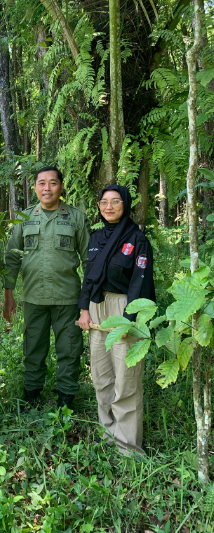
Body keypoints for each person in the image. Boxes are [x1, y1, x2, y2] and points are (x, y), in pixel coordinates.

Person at [4, 167, 91, 410]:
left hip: (68, 299)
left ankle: (66, 398)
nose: (47, 188)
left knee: (69, 350)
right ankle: (31, 396)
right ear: (34, 187)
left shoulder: (76, 217)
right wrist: (8, 295)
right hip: (33, 298)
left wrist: (87, 301)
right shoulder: (24, 218)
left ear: (61, 187)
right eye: (41, 183)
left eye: (53, 183)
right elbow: (12, 258)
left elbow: (89, 261)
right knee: (32, 349)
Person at [77, 185, 155, 456]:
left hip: (124, 307)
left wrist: (129, 320)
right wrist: (83, 309)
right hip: (97, 306)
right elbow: (88, 276)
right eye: (103, 202)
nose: (108, 206)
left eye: (115, 202)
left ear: (126, 205)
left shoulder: (137, 239)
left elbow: (140, 283)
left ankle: (128, 446)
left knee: (126, 379)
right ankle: (107, 433)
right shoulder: (96, 237)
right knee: (101, 375)